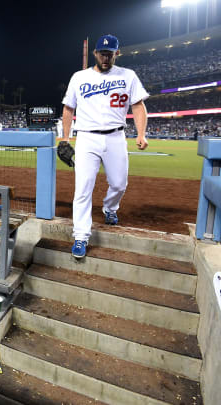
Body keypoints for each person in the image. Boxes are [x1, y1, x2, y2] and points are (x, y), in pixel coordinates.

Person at [61, 34, 149, 259]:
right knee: (83, 188)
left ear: (117, 54)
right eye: (102, 53)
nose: (106, 57)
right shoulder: (79, 77)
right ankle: (80, 235)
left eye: (110, 54)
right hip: (87, 138)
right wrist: (65, 138)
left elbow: (138, 106)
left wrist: (141, 133)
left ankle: (110, 208)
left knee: (119, 184)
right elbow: (68, 108)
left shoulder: (128, 75)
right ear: (95, 53)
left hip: (115, 137)